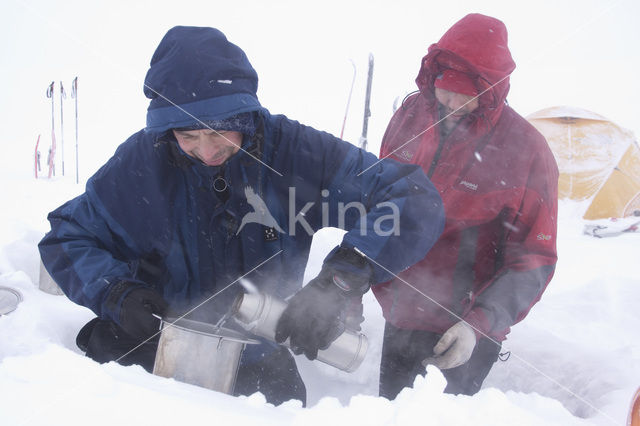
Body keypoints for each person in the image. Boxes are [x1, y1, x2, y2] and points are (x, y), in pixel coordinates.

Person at [38, 26, 445, 406]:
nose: (207, 151)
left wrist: (341, 280)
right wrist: (114, 292)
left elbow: (410, 197)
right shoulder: (143, 163)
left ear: (245, 118)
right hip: (152, 343)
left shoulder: (297, 154)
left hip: (258, 355)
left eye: (218, 133)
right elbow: (68, 236)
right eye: (188, 137)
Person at [372, 13, 559, 399]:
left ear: (490, 90)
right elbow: (380, 204)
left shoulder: (526, 149)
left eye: (465, 93)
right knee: (390, 413)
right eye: (445, 89)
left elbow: (535, 259)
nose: (452, 102)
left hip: (465, 331)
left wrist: (479, 324)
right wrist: (355, 279)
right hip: (402, 314)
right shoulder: (410, 117)